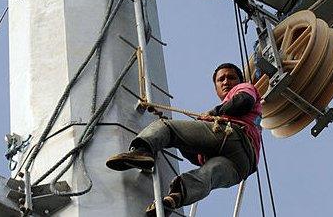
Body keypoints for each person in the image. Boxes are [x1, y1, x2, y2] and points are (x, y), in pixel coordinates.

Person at [105, 63, 262, 215]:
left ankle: (142, 150)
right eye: (221, 79)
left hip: (233, 136)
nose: (226, 81)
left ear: (240, 81)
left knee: (166, 127)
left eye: (231, 77)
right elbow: (196, 158)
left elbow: (243, 102)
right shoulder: (225, 110)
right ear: (216, 88)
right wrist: (184, 141)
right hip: (242, 165)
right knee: (206, 176)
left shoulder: (246, 88)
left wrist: (213, 113)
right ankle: (174, 199)